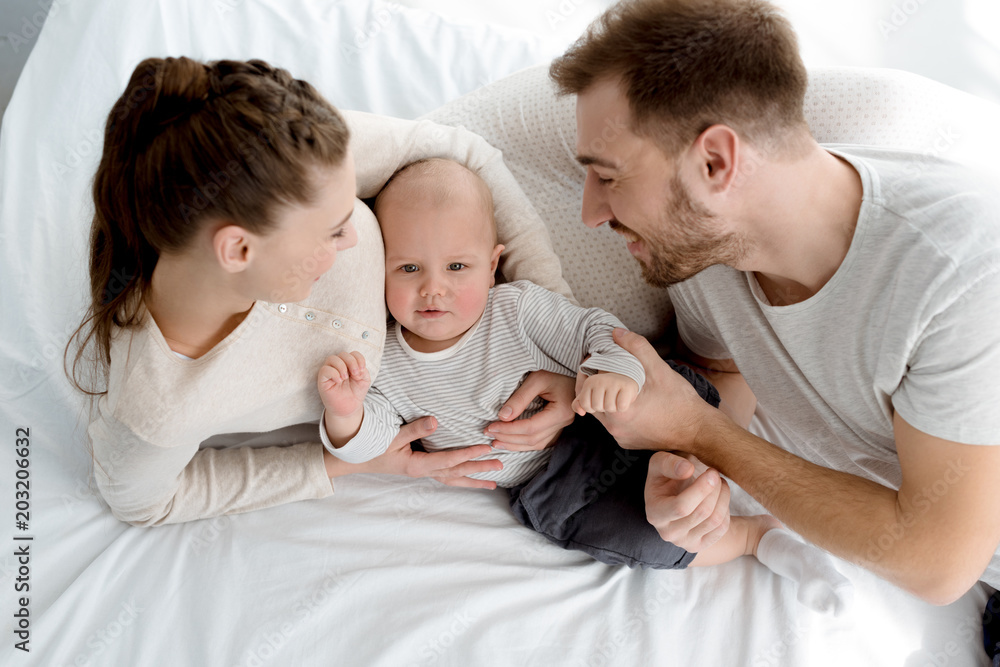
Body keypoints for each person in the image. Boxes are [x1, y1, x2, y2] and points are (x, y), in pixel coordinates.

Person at [549, 0, 1000, 631]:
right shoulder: (705, 250)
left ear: (715, 162)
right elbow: (718, 365)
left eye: (608, 177)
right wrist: (692, 476)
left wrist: (700, 432)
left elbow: (937, 563)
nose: (590, 214)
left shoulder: (961, 267)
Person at [317, 157, 853, 613]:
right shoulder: (382, 360)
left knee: (664, 401)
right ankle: (753, 537)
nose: (434, 287)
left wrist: (613, 372)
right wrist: (345, 414)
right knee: (632, 535)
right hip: (548, 480)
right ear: (377, 273)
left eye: (458, 266)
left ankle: (685, 469)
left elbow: (597, 330)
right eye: (408, 268)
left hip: (605, 416)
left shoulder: (517, 309)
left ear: (492, 266)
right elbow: (378, 438)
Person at [67, 56, 580, 526]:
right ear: (240, 251)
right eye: (335, 230)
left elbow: (463, 154)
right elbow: (145, 501)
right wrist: (342, 464)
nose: (356, 234)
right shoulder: (155, 411)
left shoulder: (294, 155)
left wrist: (558, 332)